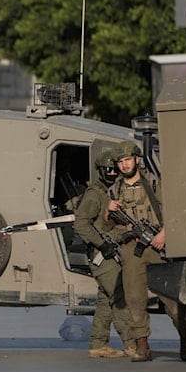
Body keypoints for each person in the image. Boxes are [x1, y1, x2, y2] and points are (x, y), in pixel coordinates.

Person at [105, 141, 186, 362]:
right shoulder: (114, 190)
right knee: (135, 299)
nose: (125, 165)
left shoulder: (154, 184)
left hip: (157, 246)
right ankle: (142, 345)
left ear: (137, 159)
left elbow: (175, 210)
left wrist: (164, 234)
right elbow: (106, 226)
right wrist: (108, 211)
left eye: (128, 160)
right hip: (131, 250)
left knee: (171, 299)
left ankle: (184, 332)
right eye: (121, 162)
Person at [73, 144, 136, 359]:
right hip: (102, 254)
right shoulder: (95, 194)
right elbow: (81, 224)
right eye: (107, 170)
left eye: (114, 170)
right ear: (100, 171)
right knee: (119, 297)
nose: (112, 173)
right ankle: (131, 344)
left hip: (109, 251)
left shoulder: (109, 192)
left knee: (105, 299)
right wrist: (102, 244)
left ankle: (98, 344)